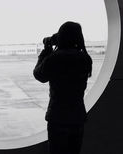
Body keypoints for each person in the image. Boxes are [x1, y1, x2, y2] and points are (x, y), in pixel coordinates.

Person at [33, 21, 92, 154]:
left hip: (58, 116)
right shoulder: (85, 59)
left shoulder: (55, 58)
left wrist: (46, 51)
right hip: (77, 116)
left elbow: (39, 75)